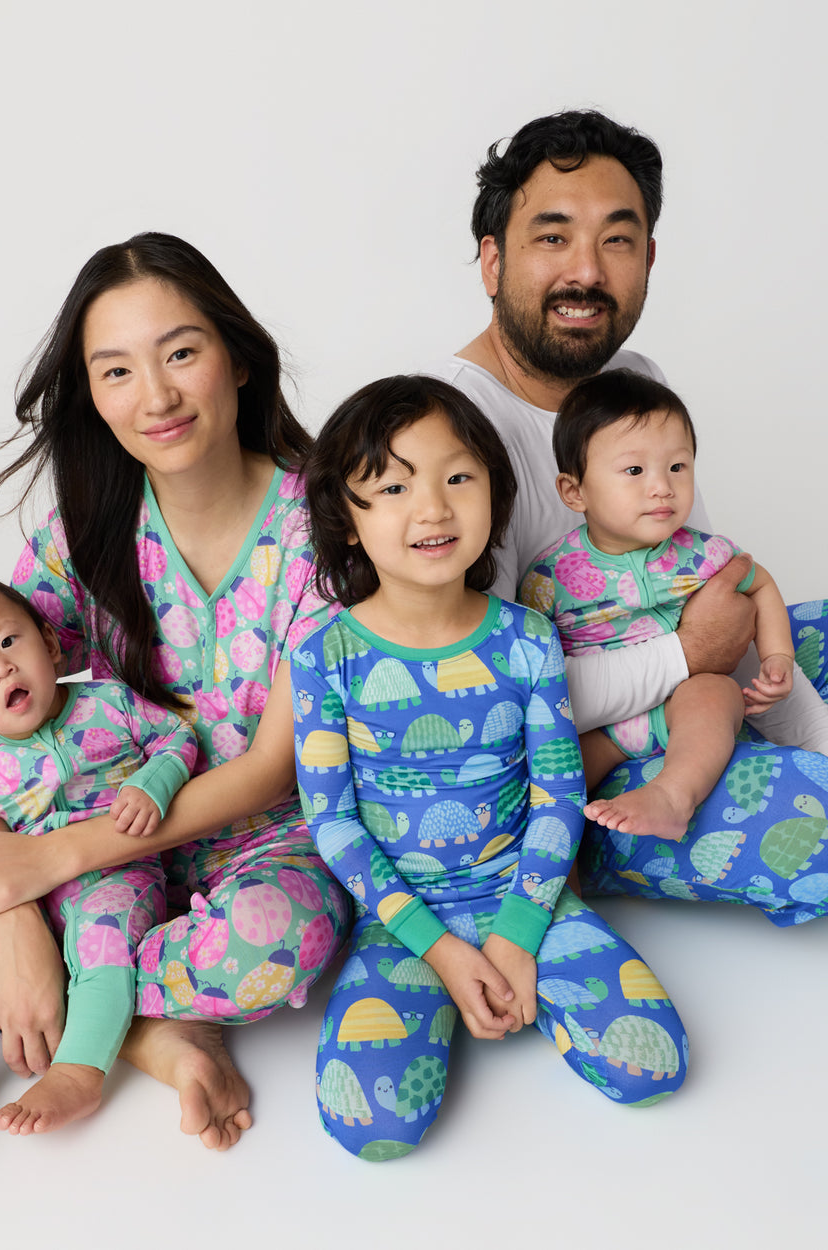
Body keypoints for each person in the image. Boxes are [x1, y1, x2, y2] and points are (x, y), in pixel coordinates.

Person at [0, 232, 350, 1152]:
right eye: (116, 371)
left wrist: (51, 863)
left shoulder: (323, 535)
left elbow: (272, 769)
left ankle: (114, 1026)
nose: (155, 396)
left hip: (255, 842)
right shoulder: (84, 534)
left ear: (237, 358)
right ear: (93, 397)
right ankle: (117, 1012)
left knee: (279, 946)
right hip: (82, 859)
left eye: (181, 352)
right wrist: (12, 907)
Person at [429, 110, 828, 924]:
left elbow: (704, 582)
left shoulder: (631, 378)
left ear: (648, 257)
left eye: (617, 239)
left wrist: (760, 687)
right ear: (492, 261)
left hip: (695, 701)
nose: (587, 271)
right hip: (576, 771)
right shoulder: (452, 432)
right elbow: (484, 706)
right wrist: (688, 659)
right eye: (552, 238)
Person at [294, 374, 686, 1162]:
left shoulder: (527, 638)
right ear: (345, 521)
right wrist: (439, 949)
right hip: (401, 918)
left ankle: (519, 970)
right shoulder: (322, 655)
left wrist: (515, 935)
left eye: (457, 477)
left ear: (496, 496)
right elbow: (332, 821)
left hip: (525, 891)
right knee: (370, 1128)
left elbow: (558, 792)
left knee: (654, 1067)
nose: (433, 508)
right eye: (394, 486)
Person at [0, 575, 197, 1177]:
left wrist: (154, 782)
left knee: (106, 947)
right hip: (22, 891)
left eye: (8, 642)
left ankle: (78, 1073)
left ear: (49, 642)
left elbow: (177, 736)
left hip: (114, 870)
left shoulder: (108, 702)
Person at [520, 370, 828, 842]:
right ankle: (549, 858)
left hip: (686, 711)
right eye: (635, 471)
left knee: (713, 693)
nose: (662, 487)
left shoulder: (704, 554)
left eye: (677, 468)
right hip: (605, 726)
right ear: (574, 491)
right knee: (547, 774)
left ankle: (673, 796)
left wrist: (778, 658)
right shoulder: (550, 576)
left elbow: (761, 585)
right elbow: (534, 666)